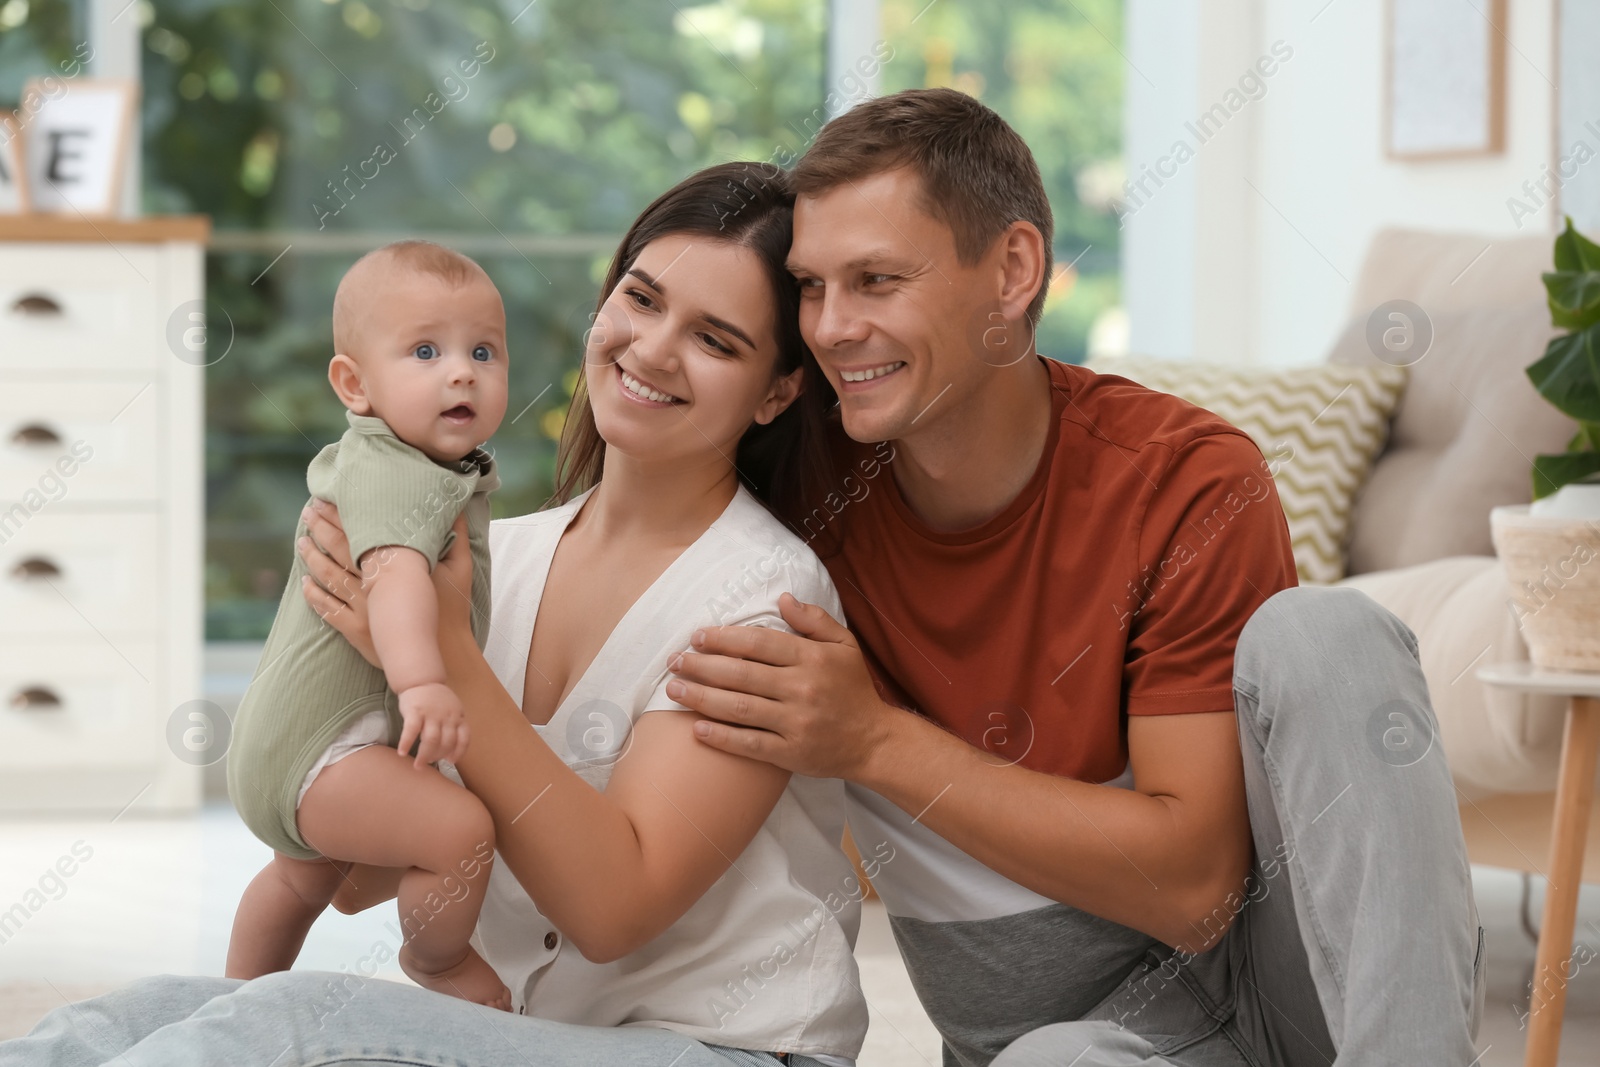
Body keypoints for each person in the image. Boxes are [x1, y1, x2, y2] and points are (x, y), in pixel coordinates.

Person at [666, 88, 1487, 1066]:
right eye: (810, 285)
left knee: (1328, 632)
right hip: (1074, 1049)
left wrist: (875, 739)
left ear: (1011, 270)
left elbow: (1195, 890)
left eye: (876, 279)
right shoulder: (795, 491)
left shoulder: (1183, 478)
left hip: (1290, 1002)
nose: (833, 327)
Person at [0, 163, 868, 1067]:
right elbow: (360, 883)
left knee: (283, 1025)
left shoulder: (763, 604)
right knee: (130, 1018)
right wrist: (327, 699)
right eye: (641, 299)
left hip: (718, 1051)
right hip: (534, 1038)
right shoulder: (497, 555)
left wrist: (441, 657)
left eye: (715, 341)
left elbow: (614, 909)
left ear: (776, 392)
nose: (651, 349)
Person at [225, 240, 511, 1009]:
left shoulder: (416, 460)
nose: (462, 371)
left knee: (301, 875)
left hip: (292, 739)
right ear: (355, 384)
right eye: (426, 350)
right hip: (324, 752)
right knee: (460, 832)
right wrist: (422, 683)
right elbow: (391, 574)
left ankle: (234, 1003)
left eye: (483, 350)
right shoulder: (394, 468)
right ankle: (438, 964)